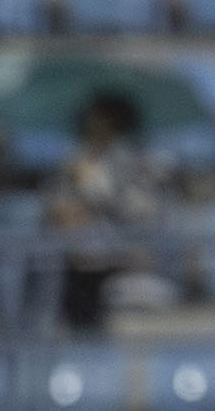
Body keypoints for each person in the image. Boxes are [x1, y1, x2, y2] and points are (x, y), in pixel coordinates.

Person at [40, 90, 167, 335]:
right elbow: (54, 203)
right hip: (74, 261)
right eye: (88, 117)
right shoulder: (73, 159)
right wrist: (66, 212)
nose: (91, 124)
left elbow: (141, 210)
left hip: (121, 262)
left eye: (99, 117)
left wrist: (92, 185)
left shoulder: (138, 161)